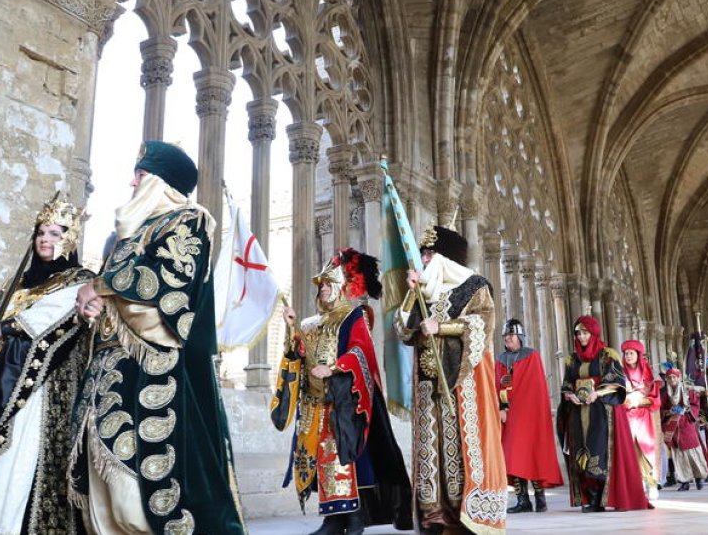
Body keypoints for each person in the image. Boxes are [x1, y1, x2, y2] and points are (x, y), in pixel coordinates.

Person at [70, 141, 245, 534]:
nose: (132, 182)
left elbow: (173, 284)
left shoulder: (188, 219)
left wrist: (101, 287)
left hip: (150, 373)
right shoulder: (127, 236)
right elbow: (109, 298)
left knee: (136, 497)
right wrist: (94, 306)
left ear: (161, 182)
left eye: (142, 174)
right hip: (106, 369)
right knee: (102, 500)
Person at [0, 194, 94, 535]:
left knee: (13, 468)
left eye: (56, 233)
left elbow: (50, 318)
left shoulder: (79, 281)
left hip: (36, 394)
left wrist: (1, 330)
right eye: (41, 232)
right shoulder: (18, 284)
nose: (45, 238)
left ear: (69, 239)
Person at [272, 248, 412, 535]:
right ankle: (333, 518)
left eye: (328, 284)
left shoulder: (353, 316)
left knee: (344, 457)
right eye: (320, 285)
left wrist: (334, 368)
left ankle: (354, 517)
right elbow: (298, 354)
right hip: (315, 403)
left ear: (339, 287)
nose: (323, 289)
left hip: (344, 400)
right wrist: (290, 329)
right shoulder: (309, 324)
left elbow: (361, 351)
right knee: (322, 460)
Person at [394, 225, 507, 534]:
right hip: (427, 385)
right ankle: (434, 513)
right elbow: (403, 330)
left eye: (430, 254)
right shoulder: (422, 292)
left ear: (445, 256)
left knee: (457, 446)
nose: (425, 260)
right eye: (423, 254)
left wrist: (441, 328)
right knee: (430, 447)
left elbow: (483, 322)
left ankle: (461, 513)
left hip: (460, 382)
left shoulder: (474, 286)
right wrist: (409, 296)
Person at [557, 316, 650, 512]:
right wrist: (570, 395)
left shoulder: (608, 355)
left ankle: (600, 496)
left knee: (598, 449)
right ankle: (590, 495)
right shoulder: (572, 360)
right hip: (578, 412)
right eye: (578, 333)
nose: (581, 336)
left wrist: (596, 393)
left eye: (585, 332)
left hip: (601, 412)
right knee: (580, 450)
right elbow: (567, 383)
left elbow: (616, 382)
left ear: (593, 333)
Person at [496, 318, 563, 514]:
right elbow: (497, 385)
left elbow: (535, 388)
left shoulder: (531, 356)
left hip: (528, 415)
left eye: (511, 335)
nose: (508, 338)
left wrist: (520, 405)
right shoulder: (500, 360)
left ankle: (540, 499)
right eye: (506, 335)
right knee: (513, 457)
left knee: (533, 455)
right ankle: (523, 500)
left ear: (520, 336)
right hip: (508, 416)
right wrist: (501, 407)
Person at [620, 339, 661, 496]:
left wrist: (639, 400)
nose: (628, 356)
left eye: (631, 353)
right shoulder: (620, 374)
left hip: (645, 418)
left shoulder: (647, 375)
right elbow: (616, 395)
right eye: (626, 353)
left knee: (646, 450)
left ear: (638, 355)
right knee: (631, 450)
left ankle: (652, 484)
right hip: (627, 417)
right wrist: (626, 401)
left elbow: (655, 398)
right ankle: (637, 484)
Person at [659, 367, 708, 491]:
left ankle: (699, 478)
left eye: (674, 377)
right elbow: (660, 409)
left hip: (686, 424)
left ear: (679, 378)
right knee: (679, 454)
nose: (672, 380)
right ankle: (684, 481)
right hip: (673, 426)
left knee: (693, 452)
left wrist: (687, 409)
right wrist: (668, 412)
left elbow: (696, 405)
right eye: (669, 378)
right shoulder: (664, 394)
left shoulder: (688, 391)